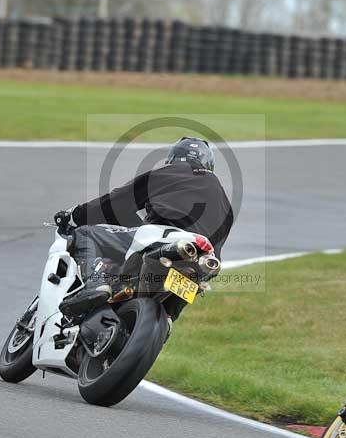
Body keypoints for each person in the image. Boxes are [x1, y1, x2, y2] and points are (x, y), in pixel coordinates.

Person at [54, 136, 234, 318]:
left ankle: (94, 286)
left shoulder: (171, 172)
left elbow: (117, 202)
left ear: (173, 159)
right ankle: (165, 324)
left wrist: (75, 214)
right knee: (168, 315)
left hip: (164, 238)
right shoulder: (226, 206)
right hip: (200, 264)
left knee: (85, 234)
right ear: (208, 164)